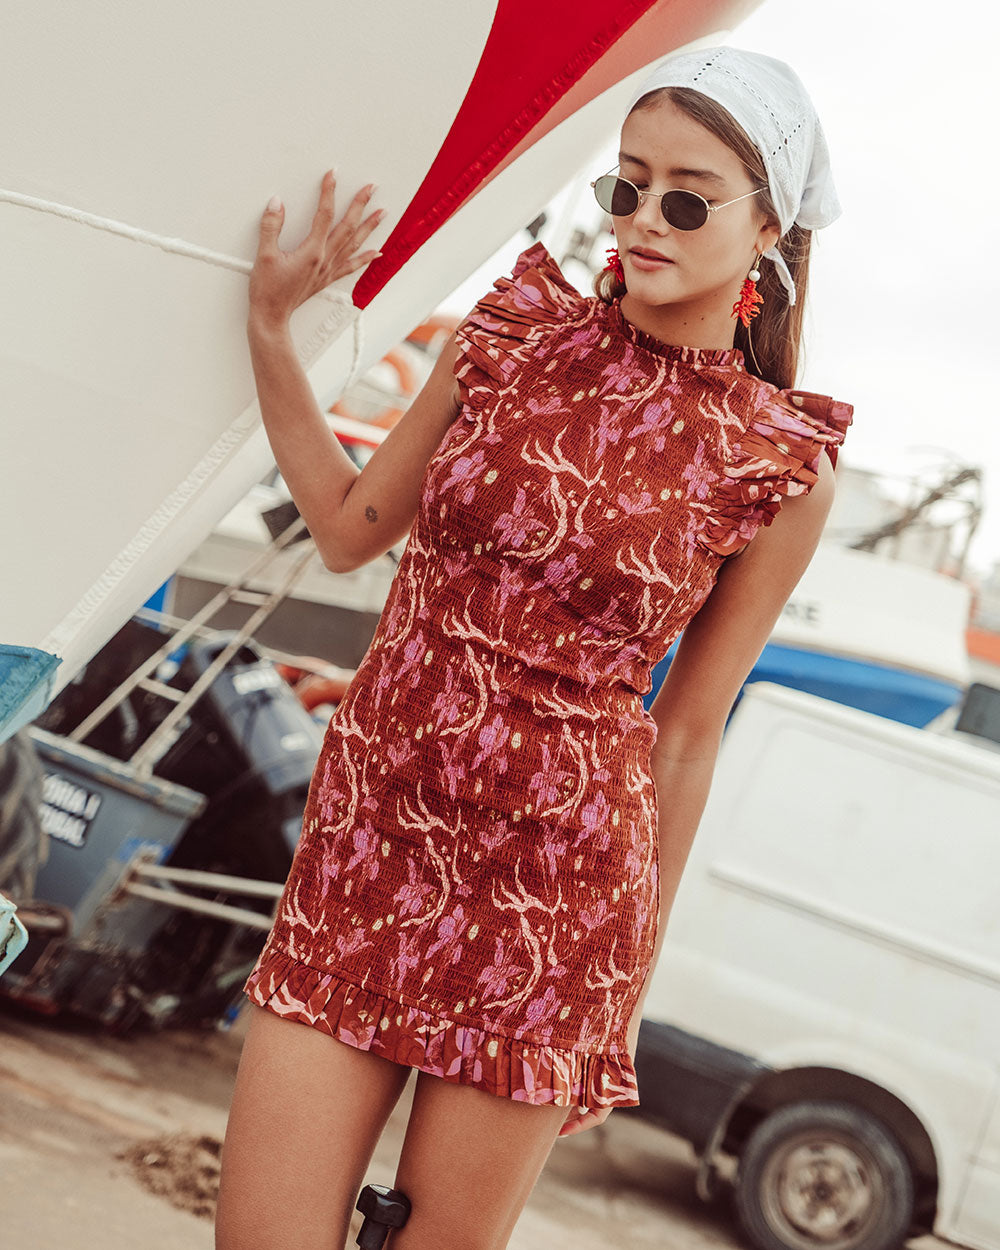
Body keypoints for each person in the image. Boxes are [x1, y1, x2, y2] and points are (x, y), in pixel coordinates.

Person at [215, 45, 853, 1250]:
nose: (642, 220)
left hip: (558, 903)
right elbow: (350, 531)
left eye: (685, 196)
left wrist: (618, 999)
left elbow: (686, 734)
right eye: (625, 185)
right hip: (373, 836)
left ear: (766, 222)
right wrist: (269, 329)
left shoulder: (781, 466)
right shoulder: (505, 337)